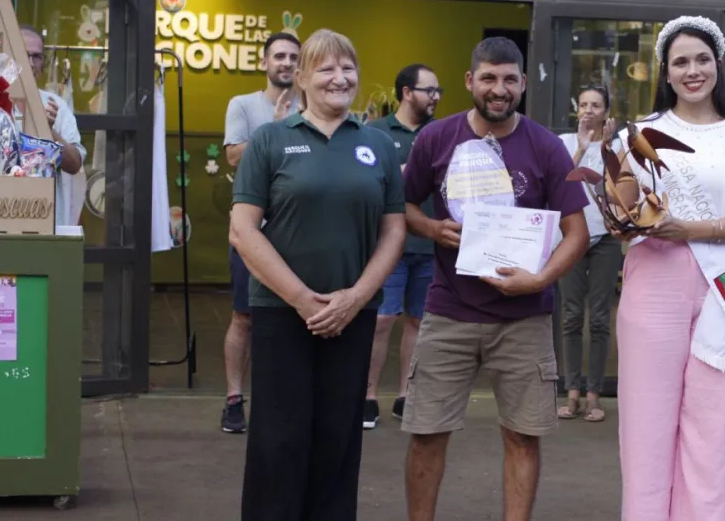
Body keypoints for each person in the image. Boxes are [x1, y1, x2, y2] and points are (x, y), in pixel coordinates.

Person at [400, 37, 590, 521]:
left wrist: (540, 279)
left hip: (524, 316)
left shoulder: (546, 147)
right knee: (426, 433)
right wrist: (428, 226)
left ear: (523, 83)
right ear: (470, 81)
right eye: (488, 77)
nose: (498, 89)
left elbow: (576, 233)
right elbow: (402, 206)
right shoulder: (436, 138)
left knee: (523, 436)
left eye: (509, 79)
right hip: (448, 310)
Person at [230, 28, 406, 520]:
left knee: (338, 438)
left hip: (352, 316)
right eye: (326, 68)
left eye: (348, 67)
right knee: (278, 440)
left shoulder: (378, 145)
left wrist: (355, 298)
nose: (339, 77)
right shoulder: (270, 141)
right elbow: (244, 231)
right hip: (283, 314)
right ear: (302, 78)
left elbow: (393, 233)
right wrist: (304, 300)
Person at [612, 15, 725, 521]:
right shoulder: (639, 135)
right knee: (647, 424)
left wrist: (689, 230)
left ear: (718, 67)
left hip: (720, 291)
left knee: (715, 426)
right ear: (666, 71)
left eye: (702, 59)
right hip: (652, 289)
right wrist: (623, 215)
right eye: (681, 61)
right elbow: (622, 216)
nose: (692, 70)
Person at [220, 31, 302, 433]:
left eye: (293, 57)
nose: (286, 63)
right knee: (245, 317)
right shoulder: (243, 105)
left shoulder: (314, 107)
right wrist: (274, 130)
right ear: (265, 62)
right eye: (279, 56)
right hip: (253, 230)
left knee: (295, 317)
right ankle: (234, 400)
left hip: (300, 231)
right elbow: (234, 155)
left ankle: (282, 402)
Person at [363, 63, 441, 429]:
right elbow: (363, 184)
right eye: (429, 90)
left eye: (438, 91)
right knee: (381, 320)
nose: (436, 97)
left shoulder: (441, 134)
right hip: (388, 243)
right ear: (407, 93)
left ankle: (406, 396)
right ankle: (367, 396)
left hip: (429, 245)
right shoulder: (374, 133)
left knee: (418, 322)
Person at [555, 84, 624, 423]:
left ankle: (594, 395)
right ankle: (571, 392)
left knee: (599, 318)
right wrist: (581, 150)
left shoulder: (619, 145)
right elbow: (557, 186)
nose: (588, 110)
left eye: (595, 105)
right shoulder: (565, 143)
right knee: (569, 316)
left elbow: (624, 189)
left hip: (606, 239)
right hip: (570, 237)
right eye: (583, 104)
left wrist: (608, 148)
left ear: (606, 110)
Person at [20, 25, 87, 226]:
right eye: (23, 55)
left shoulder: (56, 106)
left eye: (37, 57)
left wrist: (48, 131)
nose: (31, 63)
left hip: (47, 224)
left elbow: (75, 164)